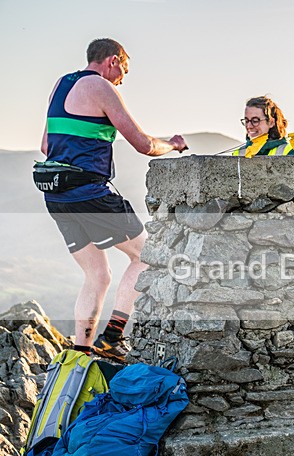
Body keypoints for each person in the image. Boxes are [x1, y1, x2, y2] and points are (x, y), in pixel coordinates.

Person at [39, 38, 187, 361]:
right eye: (124, 71)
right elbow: (143, 144)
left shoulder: (61, 85)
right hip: (90, 192)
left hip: (56, 195)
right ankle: (112, 337)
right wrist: (173, 145)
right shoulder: (102, 87)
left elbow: (45, 147)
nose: (123, 79)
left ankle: (82, 352)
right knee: (147, 255)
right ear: (113, 61)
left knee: (98, 274)